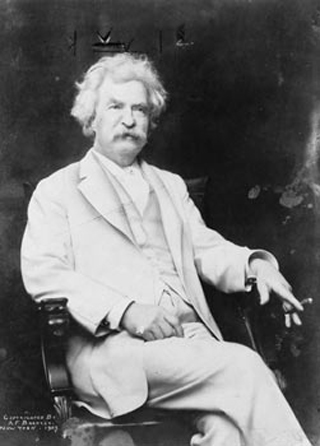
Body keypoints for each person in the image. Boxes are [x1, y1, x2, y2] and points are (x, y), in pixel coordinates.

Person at [20, 53, 311, 446]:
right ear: (91, 118)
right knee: (244, 367)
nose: (129, 119)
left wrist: (256, 266)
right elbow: (45, 273)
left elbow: (206, 248)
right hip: (114, 353)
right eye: (115, 107)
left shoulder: (170, 185)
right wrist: (125, 311)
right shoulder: (56, 190)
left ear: (150, 120)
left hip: (192, 342)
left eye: (139, 109)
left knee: (228, 431)